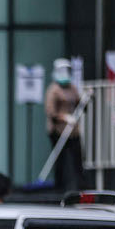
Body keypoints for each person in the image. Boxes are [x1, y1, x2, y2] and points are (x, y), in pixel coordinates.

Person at [44, 58, 84, 192]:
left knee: (77, 159)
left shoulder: (72, 88)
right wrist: (65, 117)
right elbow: (51, 112)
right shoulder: (53, 90)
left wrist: (86, 98)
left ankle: (79, 186)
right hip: (58, 130)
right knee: (60, 160)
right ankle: (59, 188)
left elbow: (79, 103)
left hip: (73, 131)